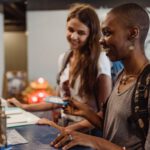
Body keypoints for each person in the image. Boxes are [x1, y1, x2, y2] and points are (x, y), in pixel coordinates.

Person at [50, 3, 150, 150]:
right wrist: (87, 112)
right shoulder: (123, 75)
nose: (100, 40)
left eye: (108, 33)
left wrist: (94, 141)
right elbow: (115, 130)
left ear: (132, 33)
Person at [8, 3, 112, 130]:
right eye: (70, 30)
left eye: (81, 32)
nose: (73, 36)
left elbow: (105, 116)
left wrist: (68, 130)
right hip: (66, 125)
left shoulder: (100, 61)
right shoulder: (64, 58)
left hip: (89, 133)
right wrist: (25, 107)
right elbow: (58, 101)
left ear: (91, 35)